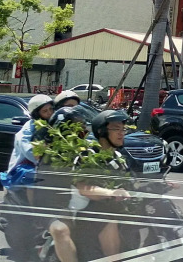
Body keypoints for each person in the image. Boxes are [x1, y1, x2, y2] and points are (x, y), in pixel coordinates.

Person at [46, 110, 132, 262]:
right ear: (102, 131)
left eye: (122, 129)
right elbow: (84, 189)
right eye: (115, 128)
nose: (121, 133)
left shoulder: (119, 158)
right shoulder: (86, 155)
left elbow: (130, 182)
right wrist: (111, 192)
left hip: (108, 208)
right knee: (109, 221)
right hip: (82, 213)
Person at [4, 94, 54, 178]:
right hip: (23, 170)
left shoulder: (52, 125)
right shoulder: (29, 128)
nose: (49, 113)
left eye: (51, 109)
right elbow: (28, 150)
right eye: (45, 111)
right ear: (37, 114)